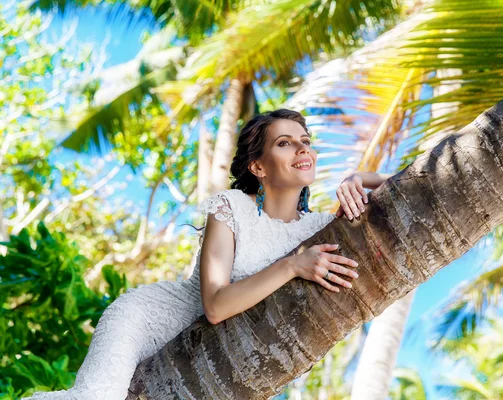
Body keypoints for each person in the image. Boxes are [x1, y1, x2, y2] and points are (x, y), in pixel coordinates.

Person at [24, 108, 389, 399]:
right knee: (97, 397)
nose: (302, 148)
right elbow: (215, 306)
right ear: (258, 167)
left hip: (219, 356)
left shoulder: (317, 229)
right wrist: (293, 265)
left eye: (305, 141)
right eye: (285, 143)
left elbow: (422, 194)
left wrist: (359, 178)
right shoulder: (230, 206)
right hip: (147, 320)